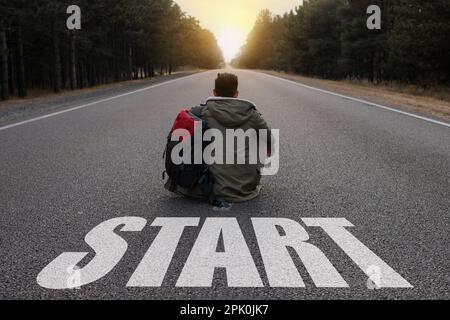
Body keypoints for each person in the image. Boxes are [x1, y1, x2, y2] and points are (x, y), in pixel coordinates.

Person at [165, 72, 272, 203]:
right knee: (262, 137)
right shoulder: (253, 115)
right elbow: (270, 142)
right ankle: (244, 176)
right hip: (243, 189)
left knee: (191, 136)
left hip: (204, 187)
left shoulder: (199, 113)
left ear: (214, 92)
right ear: (236, 94)